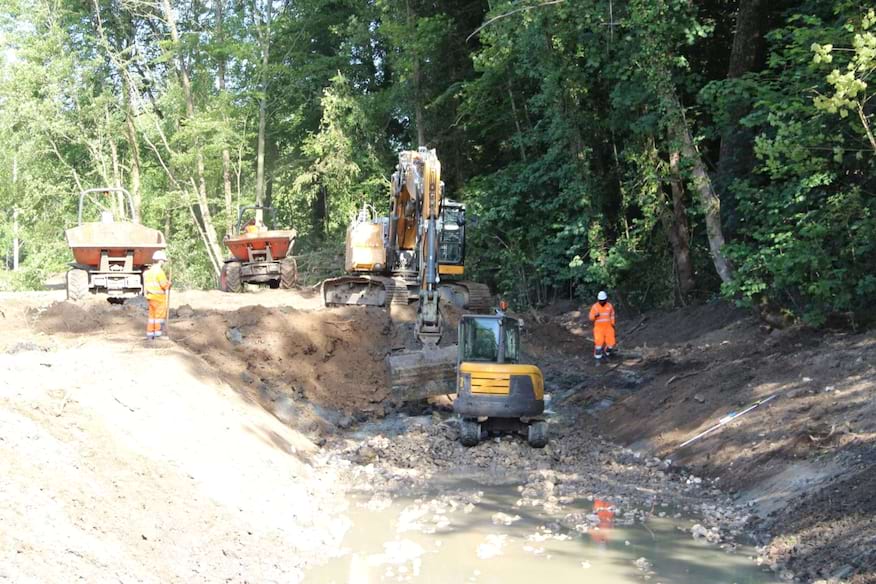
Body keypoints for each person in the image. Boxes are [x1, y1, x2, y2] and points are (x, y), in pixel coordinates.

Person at [144, 250, 171, 340]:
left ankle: (150, 334)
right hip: (159, 298)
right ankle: (158, 335)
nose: (163, 262)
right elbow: (164, 285)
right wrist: (169, 284)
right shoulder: (159, 272)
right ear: (160, 260)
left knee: (152, 317)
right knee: (159, 317)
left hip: (151, 297)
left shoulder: (149, 272)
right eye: (163, 261)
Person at [588, 290, 616, 361]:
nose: (602, 302)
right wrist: (595, 316)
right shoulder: (595, 307)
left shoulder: (609, 306)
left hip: (608, 327)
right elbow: (590, 317)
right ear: (598, 300)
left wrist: (613, 323)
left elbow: (612, 315)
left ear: (606, 299)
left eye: (603, 300)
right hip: (599, 328)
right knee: (598, 344)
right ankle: (598, 359)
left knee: (611, 343)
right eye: (601, 300)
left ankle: (606, 353)